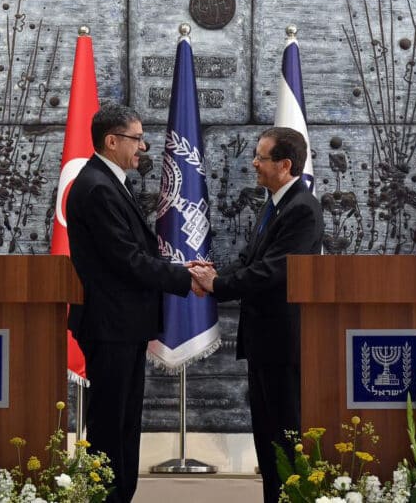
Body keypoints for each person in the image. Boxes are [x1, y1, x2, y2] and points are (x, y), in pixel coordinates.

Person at [66, 102, 203, 503]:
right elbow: (126, 260)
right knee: (111, 423)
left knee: (125, 422)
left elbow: (132, 255)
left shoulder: (109, 182)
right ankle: (107, 497)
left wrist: (181, 271)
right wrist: (186, 277)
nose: (142, 147)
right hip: (110, 325)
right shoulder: (95, 187)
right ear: (112, 141)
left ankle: (120, 494)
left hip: (123, 325)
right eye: (136, 138)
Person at [190, 127, 324, 503]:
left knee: (285, 434)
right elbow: (252, 261)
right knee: (267, 436)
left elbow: (274, 271)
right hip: (266, 340)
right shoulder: (276, 203)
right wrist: (213, 274)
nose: (254, 163)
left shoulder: (301, 209)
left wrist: (216, 285)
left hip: (284, 342)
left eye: (261, 157)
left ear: (284, 164)